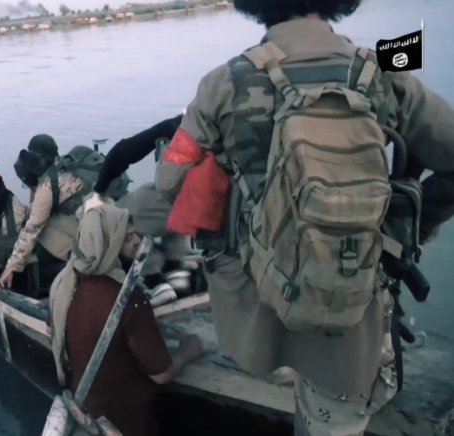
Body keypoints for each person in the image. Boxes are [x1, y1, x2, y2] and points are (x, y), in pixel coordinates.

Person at [155, 1, 454, 435]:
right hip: (352, 308)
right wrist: (406, 230)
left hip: (261, 309)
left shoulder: (224, 83)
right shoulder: (380, 72)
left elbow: (170, 178)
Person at [47, 202, 205, 436]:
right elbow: (161, 374)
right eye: (127, 237)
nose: (137, 242)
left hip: (88, 406)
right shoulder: (128, 300)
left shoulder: (63, 284)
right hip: (126, 420)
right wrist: (187, 350)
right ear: (107, 244)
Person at [92, 114, 194, 296]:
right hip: (213, 206)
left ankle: (154, 282)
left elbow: (124, 151)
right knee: (169, 211)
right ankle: (175, 271)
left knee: (122, 217)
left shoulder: (186, 123)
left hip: (183, 198)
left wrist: (99, 190)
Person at [0, 134, 95, 293]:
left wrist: (10, 268)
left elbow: (32, 229)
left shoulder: (48, 186)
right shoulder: (70, 167)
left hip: (94, 239)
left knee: (42, 230)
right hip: (107, 220)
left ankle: (80, 267)